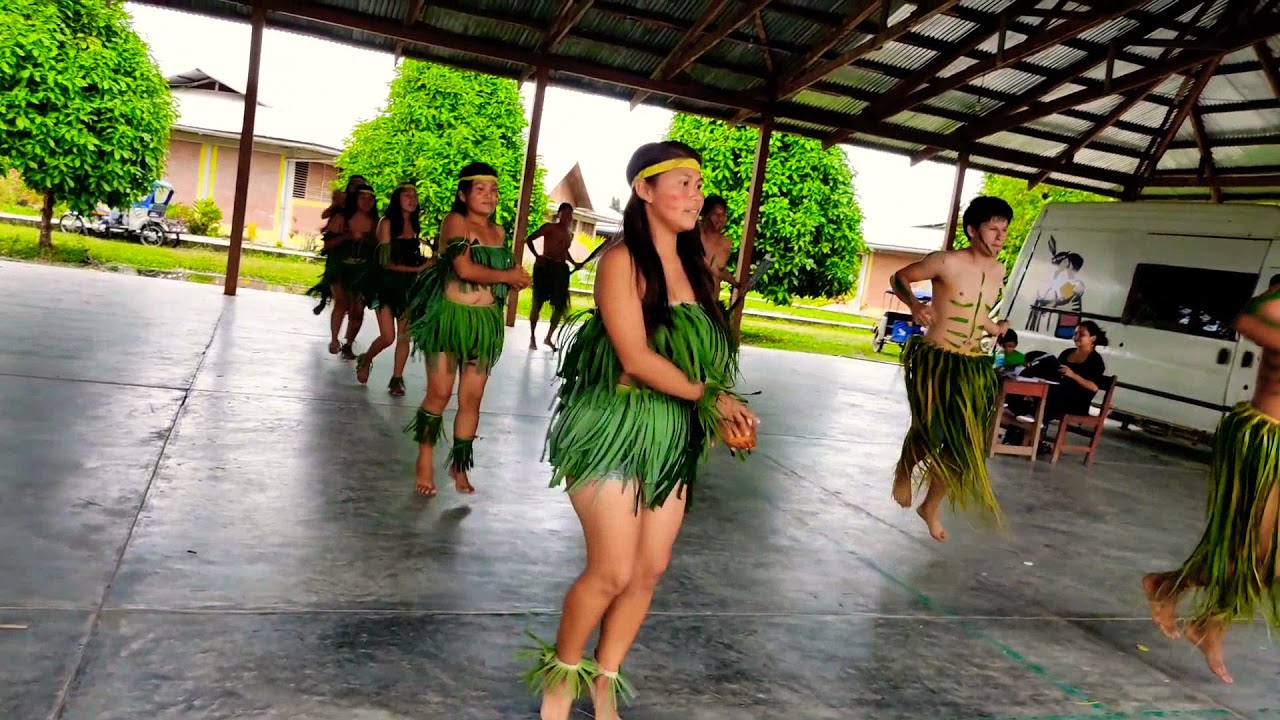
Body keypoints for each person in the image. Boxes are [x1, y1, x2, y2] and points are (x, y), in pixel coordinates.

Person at [522, 141, 758, 720]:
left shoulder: (697, 267)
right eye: (682, 183)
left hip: (672, 434)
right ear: (644, 190)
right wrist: (710, 397)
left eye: (698, 185)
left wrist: (722, 416)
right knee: (612, 570)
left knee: (649, 569)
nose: (695, 195)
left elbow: (704, 361)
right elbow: (633, 356)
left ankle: (606, 679)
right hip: (611, 426)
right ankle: (563, 677)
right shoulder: (622, 260)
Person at [1142, 278, 1280, 684]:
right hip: (1265, 440)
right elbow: (1246, 320)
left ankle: (1191, 608)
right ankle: (1175, 593)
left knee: (1268, 562)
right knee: (1257, 554)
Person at [889, 196, 1012, 542]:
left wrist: (995, 327)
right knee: (933, 431)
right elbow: (900, 276)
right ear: (973, 230)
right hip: (939, 358)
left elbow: (976, 312)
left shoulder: (998, 270)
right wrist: (914, 304)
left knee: (964, 447)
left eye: (1004, 230)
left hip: (972, 364)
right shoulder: (945, 262)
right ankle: (905, 468)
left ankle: (931, 505)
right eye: (993, 229)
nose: (1000, 237)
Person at [404, 163, 531, 496]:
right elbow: (463, 267)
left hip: (484, 324)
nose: (489, 196)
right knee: (439, 394)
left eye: (494, 189)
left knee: (471, 398)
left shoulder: (500, 232)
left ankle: (459, 467)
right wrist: (507, 276)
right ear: (463, 194)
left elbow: (496, 276)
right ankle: (425, 459)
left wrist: (515, 280)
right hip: (450, 322)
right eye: (480, 189)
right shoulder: (455, 222)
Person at [355, 183, 430, 395]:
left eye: (415, 195)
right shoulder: (386, 223)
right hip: (385, 285)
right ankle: (366, 358)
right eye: (407, 195)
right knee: (388, 337)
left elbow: (410, 257)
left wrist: (426, 264)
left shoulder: (415, 226)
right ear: (397, 199)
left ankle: (397, 378)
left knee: (405, 336)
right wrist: (419, 267)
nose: (412, 199)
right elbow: (385, 264)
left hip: (408, 287)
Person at [307, 184, 379, 359]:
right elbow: (328, 245)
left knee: (358, 309)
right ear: (355, 199)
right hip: (340, 269)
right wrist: (348, 236)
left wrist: (368, 240)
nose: (367, 202)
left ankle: (348, 344)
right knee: (341, 302)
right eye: (363, 198)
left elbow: (379, 247)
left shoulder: (376, 223)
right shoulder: (341, 219)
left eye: (370, 199)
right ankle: (334, 339)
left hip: (362, 271)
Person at [527, 202, 579, 350]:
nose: (568, 217)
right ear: (559, 214)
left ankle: (548, 337)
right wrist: (538, 256)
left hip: (560, 270)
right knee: (537, 303)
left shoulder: (570, 235)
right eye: (565, 213)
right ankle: (532, 337)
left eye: (570, 214)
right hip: (545, 268)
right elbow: (529, 239)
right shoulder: (549, 227)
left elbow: (564, 252)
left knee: (559, 307)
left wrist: (575, 263)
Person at [698, 194, 744, 292]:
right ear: (705, 214)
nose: (720, 219)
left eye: (723, 215)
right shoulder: (693, 232)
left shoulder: (725, 243)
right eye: (716, 214)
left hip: (712, 301)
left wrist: (736, 284)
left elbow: (719, 270)